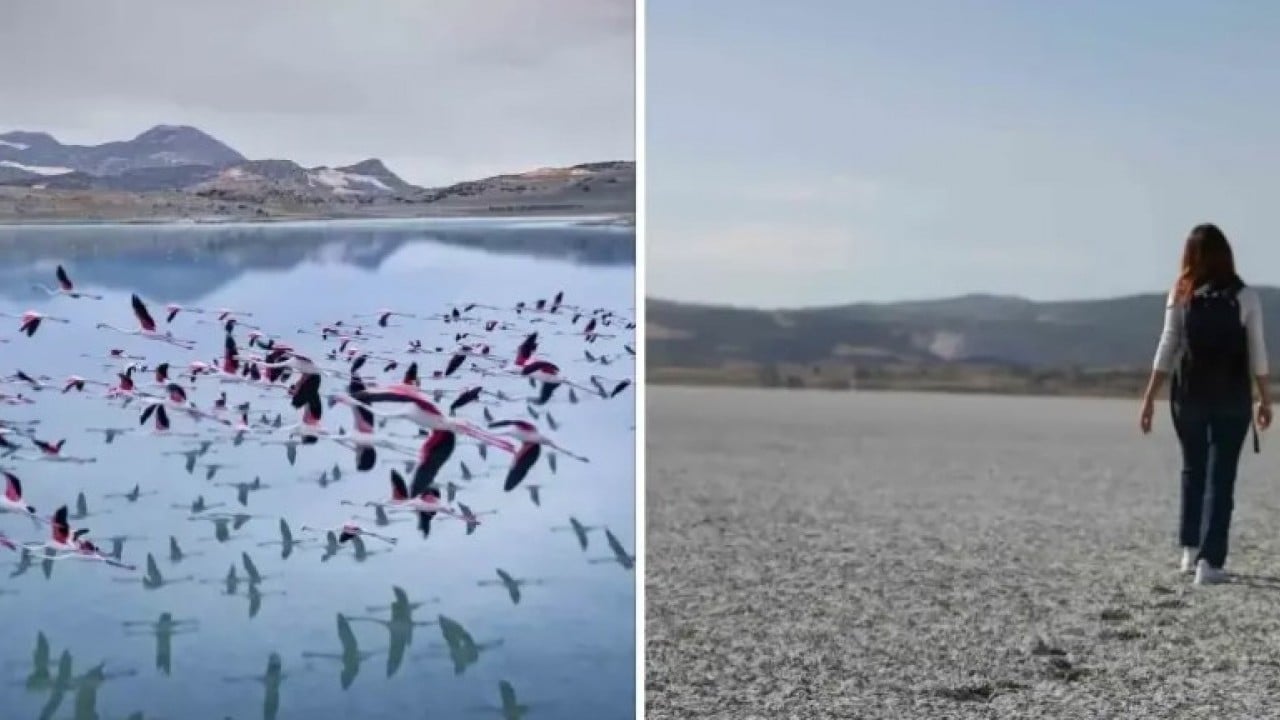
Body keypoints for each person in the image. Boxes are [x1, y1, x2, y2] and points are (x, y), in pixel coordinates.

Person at [1139, 223, 1272, 585]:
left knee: (1193, 469)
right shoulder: (1245, 297)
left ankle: (1188, 549)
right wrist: (1265, 397)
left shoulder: (1182, 293)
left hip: (1189, 396)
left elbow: (1167, 345)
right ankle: (1209, 563)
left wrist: (1150, 397)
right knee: (1221, 477)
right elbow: (1258, 351)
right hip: (1232, 398)